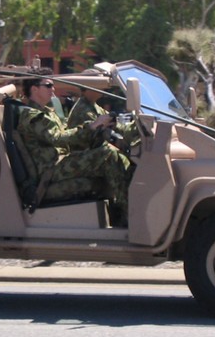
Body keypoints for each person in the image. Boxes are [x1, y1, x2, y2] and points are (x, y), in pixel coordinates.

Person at [15, 68, 133, 225]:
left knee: (114, 155)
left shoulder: (47, 112)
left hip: (60, 163)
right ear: (34, 89)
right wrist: (90, 127)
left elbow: (66, 135)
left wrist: (96, 129)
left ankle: (123, 211)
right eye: (49, 85)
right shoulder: (31, 116)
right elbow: (57, 138)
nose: (53, 89)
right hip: (50, 169)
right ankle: (129, 214)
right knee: (107, 154)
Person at [67, 67, 139, 155]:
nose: (103, 87)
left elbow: (114, 125)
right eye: (98, 83)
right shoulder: (83, 111)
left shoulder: (93, 106)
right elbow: (103, 135)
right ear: (87, 87)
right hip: (86, 156)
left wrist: (134, 127)